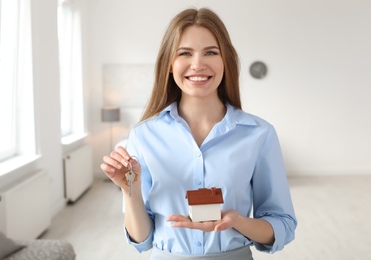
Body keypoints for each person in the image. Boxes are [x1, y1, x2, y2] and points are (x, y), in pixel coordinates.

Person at [101, 7, 297, 260]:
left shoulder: (260, 134)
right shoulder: (143, 135)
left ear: (225, 61)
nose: (197, 64)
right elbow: (141, 239)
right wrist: (130, 190)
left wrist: (237, 221)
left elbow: (282, 225)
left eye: (210, 52)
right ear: (169, 64)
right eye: (185, 53)